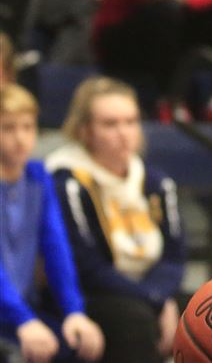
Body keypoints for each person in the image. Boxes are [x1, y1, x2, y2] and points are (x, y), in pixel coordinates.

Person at [47, 77, 185, 363]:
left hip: (150, 290)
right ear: (85, 131)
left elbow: (174, 256)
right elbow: (88, 268)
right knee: (133, 320)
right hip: (92, 294)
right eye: (110, 124)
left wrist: (160, 297)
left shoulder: (156, 181)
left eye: (131, 122)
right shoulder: (67, 180)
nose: (124, 133)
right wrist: (154, 301)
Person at [0, 83, 105, 363]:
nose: (20, 138)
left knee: (77, 344)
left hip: (21, 308)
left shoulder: (38, 177)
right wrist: (23, 320)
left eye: (27, 127)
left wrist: (74, 311)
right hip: (9, 311)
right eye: (8, 128)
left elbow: (56, 248)